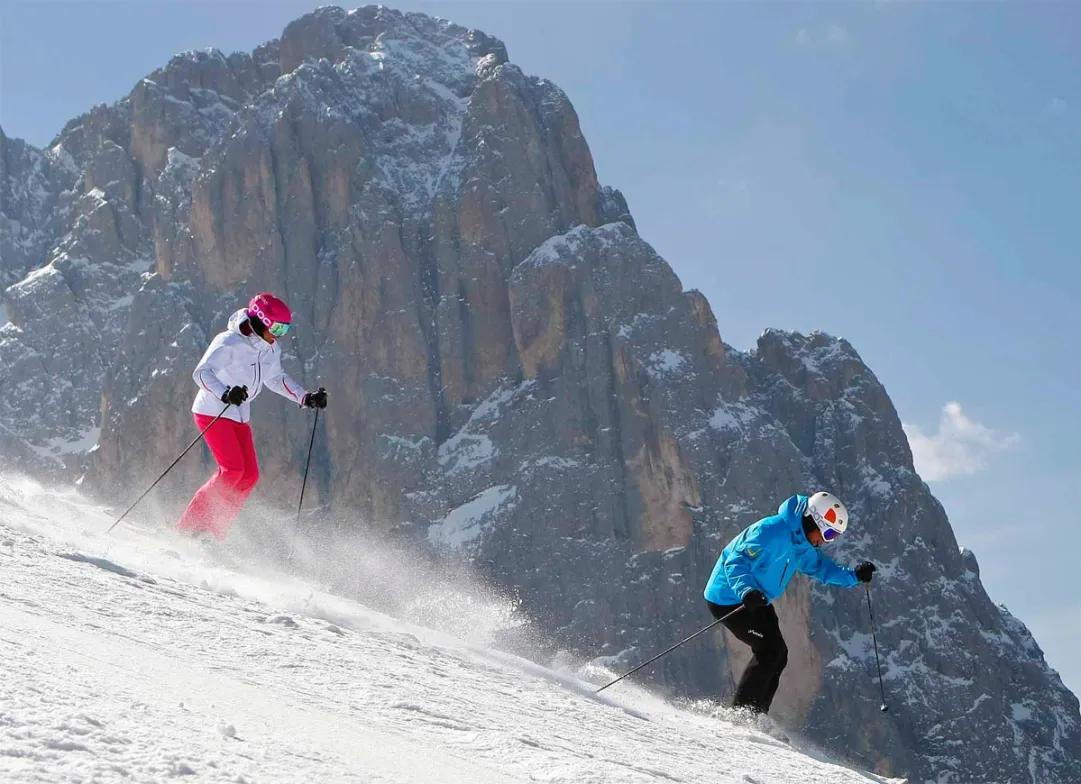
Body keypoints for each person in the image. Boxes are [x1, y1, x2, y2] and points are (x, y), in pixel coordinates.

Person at [703, 492, 876, 716]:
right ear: (814, 520)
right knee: (769, 650)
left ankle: (756, 714)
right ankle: (741, 715)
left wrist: (854, 576)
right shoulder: (771, 531)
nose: (826, 540)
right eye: (829, 533)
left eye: (833, 536)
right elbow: (736, 560)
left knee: (780, 653)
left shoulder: (802, 544)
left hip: (757, 598)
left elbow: (821, 567)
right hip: (729, 599)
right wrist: (745, 590)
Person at [175, 292, 327, 540]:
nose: (278, 335)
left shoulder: (269, 348)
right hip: (213, 411)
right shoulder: (229, 343)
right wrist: (225, 393)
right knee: (232, 470)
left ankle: (214, 532)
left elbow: (275, 379)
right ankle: (190, 528)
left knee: (249, 476)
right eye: (276, 327)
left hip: (239, 415)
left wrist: (305, 397)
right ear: (260, 321)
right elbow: (201, 373)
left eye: (285, 330)